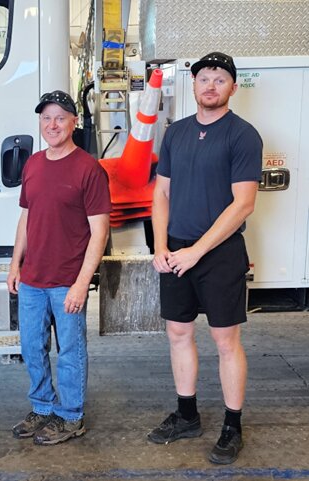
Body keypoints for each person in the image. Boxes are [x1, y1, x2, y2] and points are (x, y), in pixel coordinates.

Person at [148, 52, 262, 464]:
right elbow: (161, 193)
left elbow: (243, 204)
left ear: (232, 87)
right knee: (178, 333)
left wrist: (198, 251)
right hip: (176, 249)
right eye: (203, 79)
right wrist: (160, 245)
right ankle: (187, 415)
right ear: (192, 86)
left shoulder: (243, 135)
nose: (210, 86)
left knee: (225, 340)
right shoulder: (176, 133)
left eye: (219, 79)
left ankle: (233, 426)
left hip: (219, 254)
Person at [7, 90, 111, 445]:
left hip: (68, 279)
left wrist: (82, 283)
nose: (53, 124)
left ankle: (70, 415)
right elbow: (25, 217)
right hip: (33, 278)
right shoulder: (33, 163)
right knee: (32, 348)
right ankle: (42, 406)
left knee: (70, 351)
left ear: (74, 122)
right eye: (47, 118)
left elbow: (100, 232)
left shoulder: (89, 169)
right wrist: (14, 264)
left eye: (60, 118)